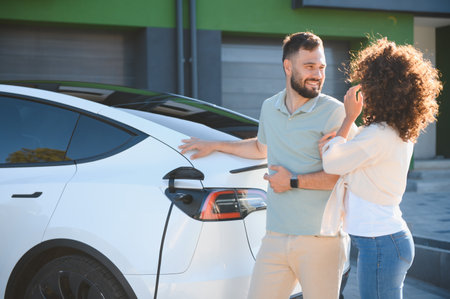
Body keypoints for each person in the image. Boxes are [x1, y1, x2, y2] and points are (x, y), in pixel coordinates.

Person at [179, 32, 356, 299]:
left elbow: (345, 174)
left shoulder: (335, 112)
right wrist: (215, 144)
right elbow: (261, 148)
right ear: (288, 66)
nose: (318, 74)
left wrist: (293, 181)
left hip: (321, 240)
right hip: (275, 237)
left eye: (321, 67)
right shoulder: (269, 107)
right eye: (309, 66)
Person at [319, 38, 442, 299]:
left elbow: (332, 162)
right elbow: (352, 153)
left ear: (380, 89)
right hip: (386, 241)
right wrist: (342, 138)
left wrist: (348, 117)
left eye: (368, 84)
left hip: (381, 244)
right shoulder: (394, 132)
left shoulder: (379, 134)